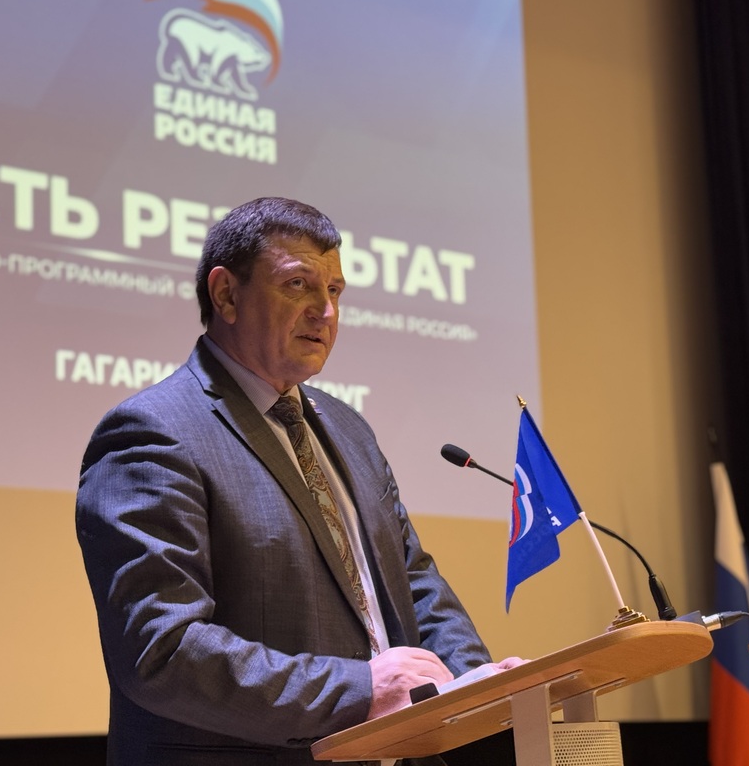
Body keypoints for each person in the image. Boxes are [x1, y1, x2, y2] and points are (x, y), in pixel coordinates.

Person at [76, 197, 520, 766]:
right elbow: (161, 649)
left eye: (334, 291)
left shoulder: (347, 427)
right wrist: (360, 690)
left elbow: (411, 580)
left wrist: (471, 679)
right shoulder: (152, 433)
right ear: (226, 295)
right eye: (297, 286)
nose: (325, 311)